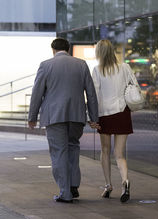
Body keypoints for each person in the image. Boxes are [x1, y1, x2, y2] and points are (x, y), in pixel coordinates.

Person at [28, 38, 100, 203]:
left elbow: (37, 93)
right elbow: (91, 93)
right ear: (68, 49)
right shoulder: (81, 64)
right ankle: (73, 185)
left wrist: (32, 117)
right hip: (76, 116)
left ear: (53, 50)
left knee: (59, 152)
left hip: (54, 117)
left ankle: (65, 193)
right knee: (73, 147)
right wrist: (93, 118)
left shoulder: (46, 65)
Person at [92, 39, 137, 203]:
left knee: (105, 151)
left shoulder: (97, 71)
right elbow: (134, 86)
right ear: (112, 51)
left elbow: (94, 96)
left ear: (99, 53)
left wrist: (92, 117)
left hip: (104, 114)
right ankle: (125, 181)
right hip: (122, 113)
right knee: (119, 154)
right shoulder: (124, 67)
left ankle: (108, 185)